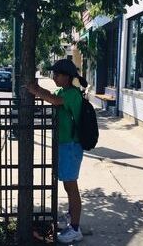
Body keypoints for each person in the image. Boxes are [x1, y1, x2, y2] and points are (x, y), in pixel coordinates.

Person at [26, 59, 88, 244]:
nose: (54, 77)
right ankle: (72, 222)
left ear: (67, 77)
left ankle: (75, 229)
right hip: (65, 146)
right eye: (53, 74)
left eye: (57, 74)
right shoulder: (64, 91)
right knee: (68, 186)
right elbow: (51, 95)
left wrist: (35, 89)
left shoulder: (72, 94)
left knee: (71, 187)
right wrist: (39, 90)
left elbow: (53, 99)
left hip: (71, 146)